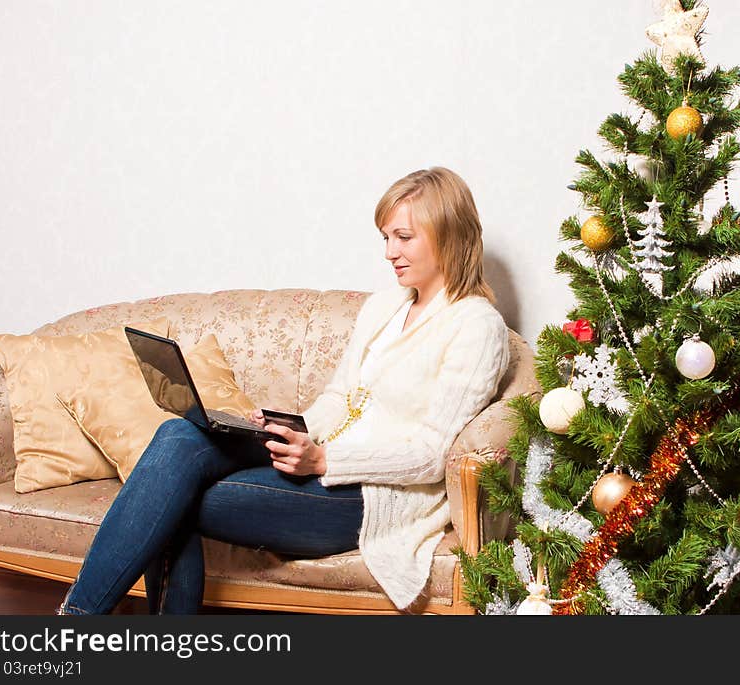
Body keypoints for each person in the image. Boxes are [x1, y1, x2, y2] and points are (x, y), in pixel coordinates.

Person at [58, 166, 510, 614]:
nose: (390, 252)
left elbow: (433, 454)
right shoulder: (385, 306)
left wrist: (325, 459)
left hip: (373, 496)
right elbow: (339, 398)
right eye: (385, 238)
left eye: (403, 237)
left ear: (448, 234)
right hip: (320, 456)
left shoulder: (476, 326)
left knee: (176, 493)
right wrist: (289, 427)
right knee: (177, 437)